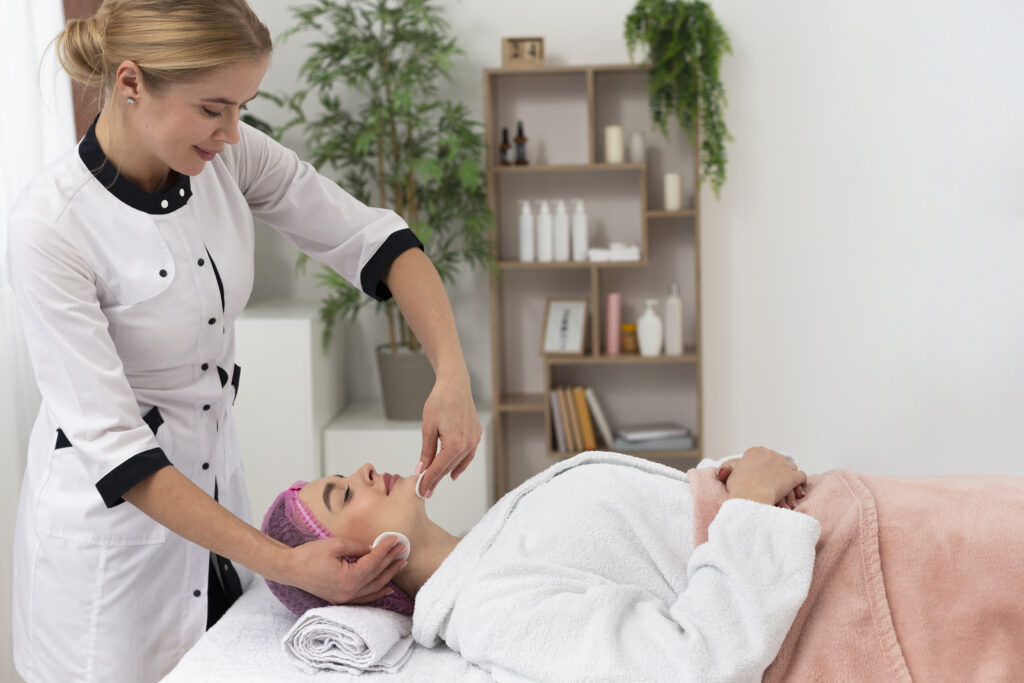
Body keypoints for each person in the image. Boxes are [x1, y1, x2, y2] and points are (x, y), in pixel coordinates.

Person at [6, 1, 480, 680]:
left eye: (242, 106)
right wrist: (285, 561)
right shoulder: (49, 227)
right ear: (132, 82)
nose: (232, 132)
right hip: (109, 554)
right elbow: (118, 451)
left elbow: (374, 238)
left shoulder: (228, 154)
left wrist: (452, 375)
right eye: (213, 108)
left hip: (215, 509)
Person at [263, 447, 1024, 682]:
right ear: (352, 564)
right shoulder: (492, 608)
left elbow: (645, 537)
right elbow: (687, 660)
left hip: (876, 529)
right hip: (875, 583)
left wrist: (731, 478)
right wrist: (751, 508)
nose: (363, 468)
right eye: (340, 492)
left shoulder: (493, 538)